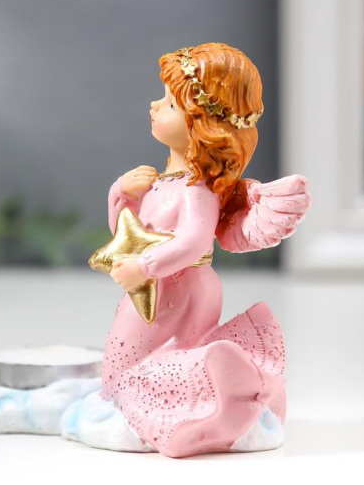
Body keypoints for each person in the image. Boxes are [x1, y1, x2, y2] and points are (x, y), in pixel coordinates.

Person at [98, 43, 312, 458]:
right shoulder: (161, 182)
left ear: (201, 125)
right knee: (129, 365)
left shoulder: (197, 190)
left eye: (169, 104)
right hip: (159, 287)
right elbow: (126, 232)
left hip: (180, 289)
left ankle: (210, 393)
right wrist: (120, 193)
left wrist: (145, 266)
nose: (154, 106)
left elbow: (194, 241)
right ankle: (212, 385)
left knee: (134, 368)